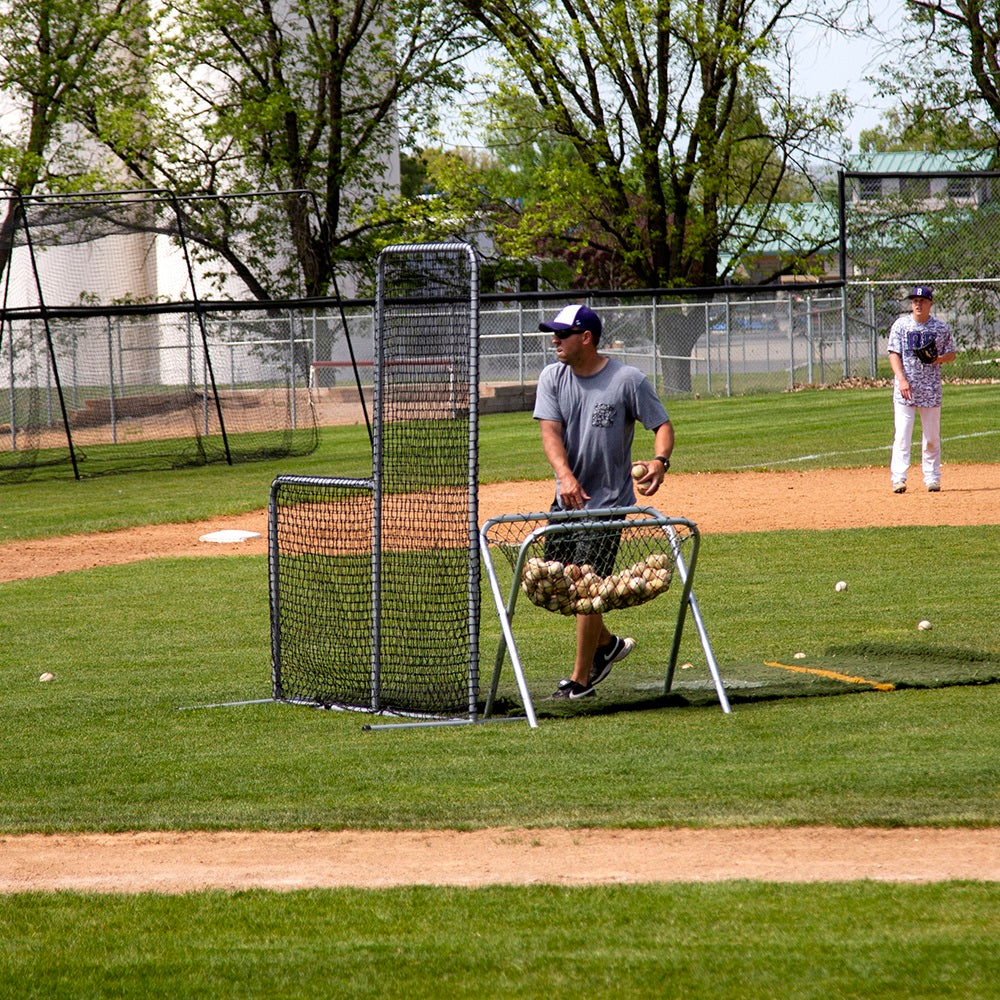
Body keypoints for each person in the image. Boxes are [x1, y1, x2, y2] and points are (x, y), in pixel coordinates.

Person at [533, 303, 674, 700]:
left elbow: (661, 425)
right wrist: (565, 477)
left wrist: (659, 462)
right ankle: (608, 644)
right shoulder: (552, 377)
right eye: (553, 333)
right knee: (554, 586)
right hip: (566, 500)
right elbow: (550, 433)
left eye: (562, 334)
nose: (554, 340)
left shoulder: (627, 379)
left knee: (585, 588)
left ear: (587, 338)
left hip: (609, 503)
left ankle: (580, 681)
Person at [887, 285, 956, 494]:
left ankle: (932, 478)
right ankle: (898, 479)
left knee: (932, 438)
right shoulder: (901, 325)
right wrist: (901, 380)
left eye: (922, 301)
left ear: (930, 304)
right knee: (902, 436)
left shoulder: (940, 328)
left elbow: (951, 354)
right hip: (905, 391)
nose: (918, 304)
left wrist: (938, 358)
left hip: (931, 390)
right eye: (915, 301)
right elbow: (893, 353)